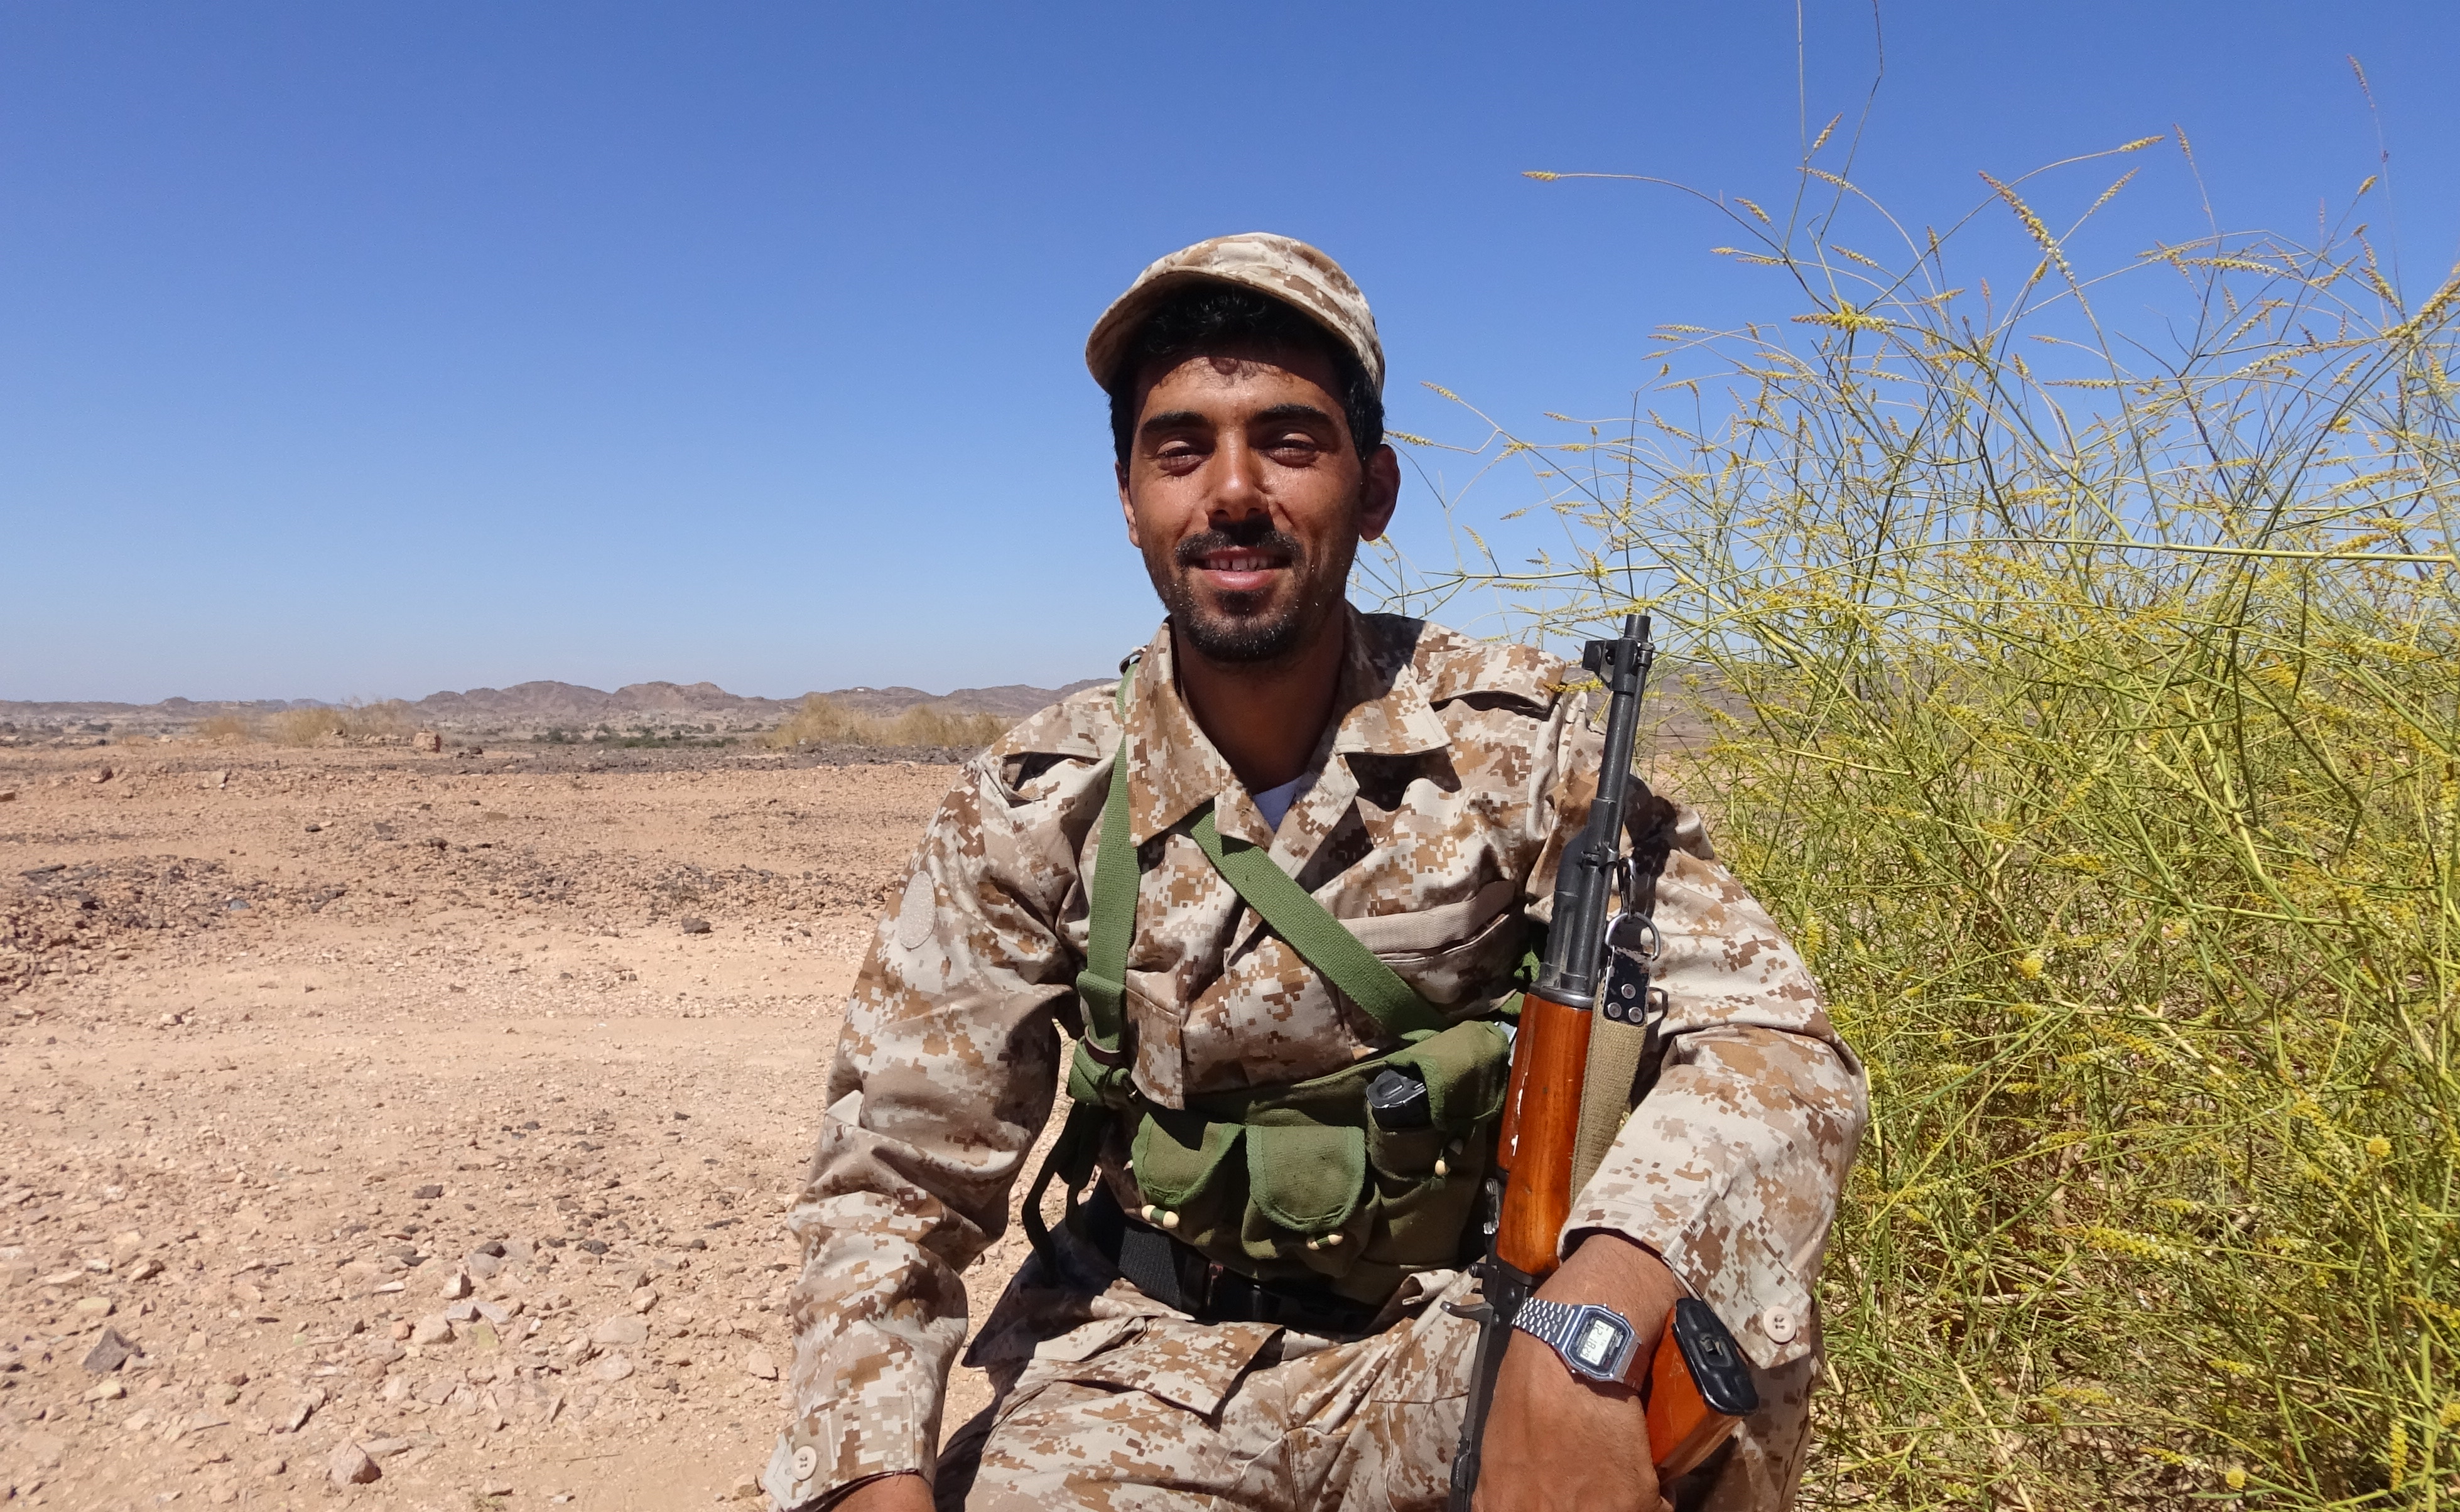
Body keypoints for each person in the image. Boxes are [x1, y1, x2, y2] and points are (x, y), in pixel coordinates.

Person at [764, 233, 1865, 1512]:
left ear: (1374, 489)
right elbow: (895, 1177)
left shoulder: (1522, 747)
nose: (1233, 491)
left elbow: (1773, 1045)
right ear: (1128, 499)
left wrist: (1595, 1317)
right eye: (1181, 450)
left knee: (1711, 1391)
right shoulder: (1036, 803)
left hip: (1470, 1330)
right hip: (1141, 1363)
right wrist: (868, 1479)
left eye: (1288, 442)